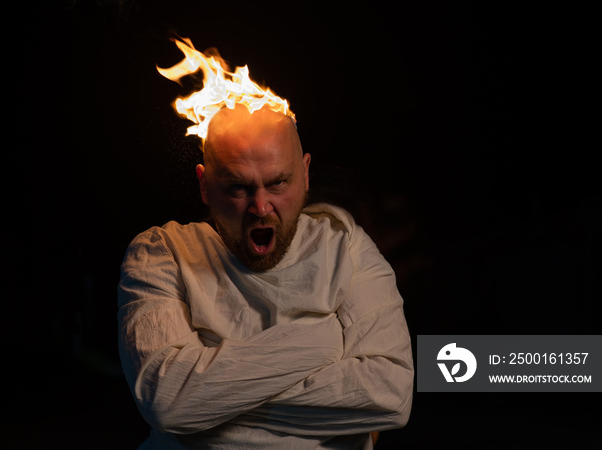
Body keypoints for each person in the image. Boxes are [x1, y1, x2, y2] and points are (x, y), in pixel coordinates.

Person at [117, 103, 414, 449]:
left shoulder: (346, 247)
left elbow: (390, 394)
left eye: (277, 183)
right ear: (204, 185)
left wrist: (208, 408)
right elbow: (166, 401)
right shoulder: (161, 252)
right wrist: (325, 342)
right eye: (238, 187)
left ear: (305, 175)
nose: (260, 207)